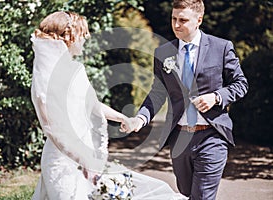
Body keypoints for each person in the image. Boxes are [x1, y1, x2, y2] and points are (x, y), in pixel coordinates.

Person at [30, 11, 187, 200]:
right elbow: (53, 129)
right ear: (68, 37)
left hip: (88, 153)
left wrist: (123, 118)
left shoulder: (76, 70)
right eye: (82, 33)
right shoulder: (46, 79)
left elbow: (92, 105)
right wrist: (82, 159)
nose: (87, 37)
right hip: (62, 161)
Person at [121, 0, 248, 199]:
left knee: (202, 196)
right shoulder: (163, 52)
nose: (176, 24)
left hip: (212, 136)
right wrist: (140, 119)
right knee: (186, 193)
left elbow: (240, 84)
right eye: (174, 19)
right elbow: (157, 93)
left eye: (183, 20)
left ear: (199, 19)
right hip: (179, 139)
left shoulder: (221, 47)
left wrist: (216, 97)